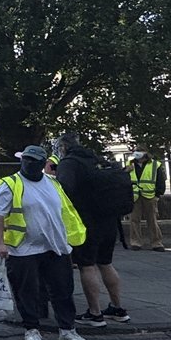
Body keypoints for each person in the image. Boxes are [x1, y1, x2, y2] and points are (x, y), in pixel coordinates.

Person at [0, 146, 94, 340]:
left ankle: (67, 330)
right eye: (26, 160)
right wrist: (0, 243)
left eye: (33, 161)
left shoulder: (53, 184)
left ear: (42, 163)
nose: (28, 164)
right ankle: (31, 329)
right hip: (23, 249)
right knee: (27, 291)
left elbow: (64, 212)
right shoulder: (11, 184)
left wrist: (69, 241)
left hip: (55, 247)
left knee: (63, 289)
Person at [56, 132, 131, 326]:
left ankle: (95, 313)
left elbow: (63, 191)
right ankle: (117, 308)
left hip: (86, 222)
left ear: (63, 147)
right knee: (106, 263)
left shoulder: (70, 163)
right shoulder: (97, 160)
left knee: (87, 265)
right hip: (109, 221)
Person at [128, 149, 165, 251]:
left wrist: (158, 195)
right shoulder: (130, 164)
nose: (136, 154)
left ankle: (156, 243)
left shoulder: (155, 165)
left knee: (152, 220)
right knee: (134, 220)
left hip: (150, 195)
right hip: (135, 196)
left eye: (139, 151)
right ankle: (135, 242)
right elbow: (125, 178)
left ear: (145, 153)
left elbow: (160, 180)